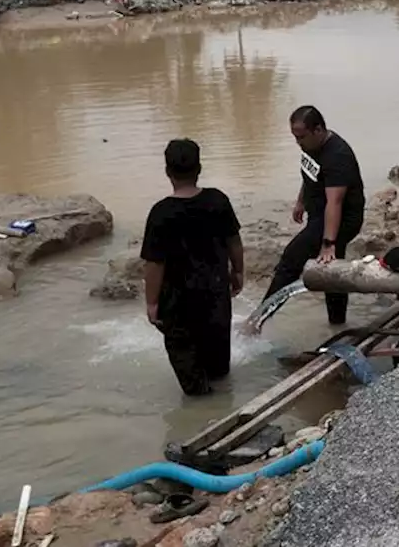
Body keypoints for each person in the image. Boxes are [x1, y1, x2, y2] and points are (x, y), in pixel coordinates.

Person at [140, 138, 245, 397]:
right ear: (199, 169)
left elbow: (154, 263)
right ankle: (225, 408)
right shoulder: (218, 201)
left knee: (192, 379)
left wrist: (152, 302)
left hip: (177, 303)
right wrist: (238, 271)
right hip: (215, 295)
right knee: (219, 369)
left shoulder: (161, 213)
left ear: (167, 172)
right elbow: (234, 242)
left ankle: (203, 417)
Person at [258, 105, 365, 326]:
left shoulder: (337, 156)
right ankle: (337, 324)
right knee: (330, 271)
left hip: (341, 219)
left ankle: (258, 320)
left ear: (318, 130)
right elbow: (311, 174)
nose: (298, 142)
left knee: (291, 260)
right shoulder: (312, 145)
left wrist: (328, 243)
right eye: (295, 137)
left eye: (301, 137)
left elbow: (335, 202)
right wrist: (301, 201)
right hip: (321, 214)